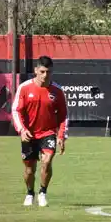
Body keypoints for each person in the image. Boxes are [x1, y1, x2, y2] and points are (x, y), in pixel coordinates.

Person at [11, 56, 68, 207]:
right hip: (29, 134)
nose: (45, 75)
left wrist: (61, 135)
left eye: (48, 72)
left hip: (48, 132)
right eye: (42, 71)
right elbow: (16, 110)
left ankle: (43, 192)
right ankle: (30, 193)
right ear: (36, 70)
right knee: (29, 169)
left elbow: (63, 115)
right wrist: (22, 130)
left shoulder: (57, 91)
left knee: (47, 161)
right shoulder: (24, 88)